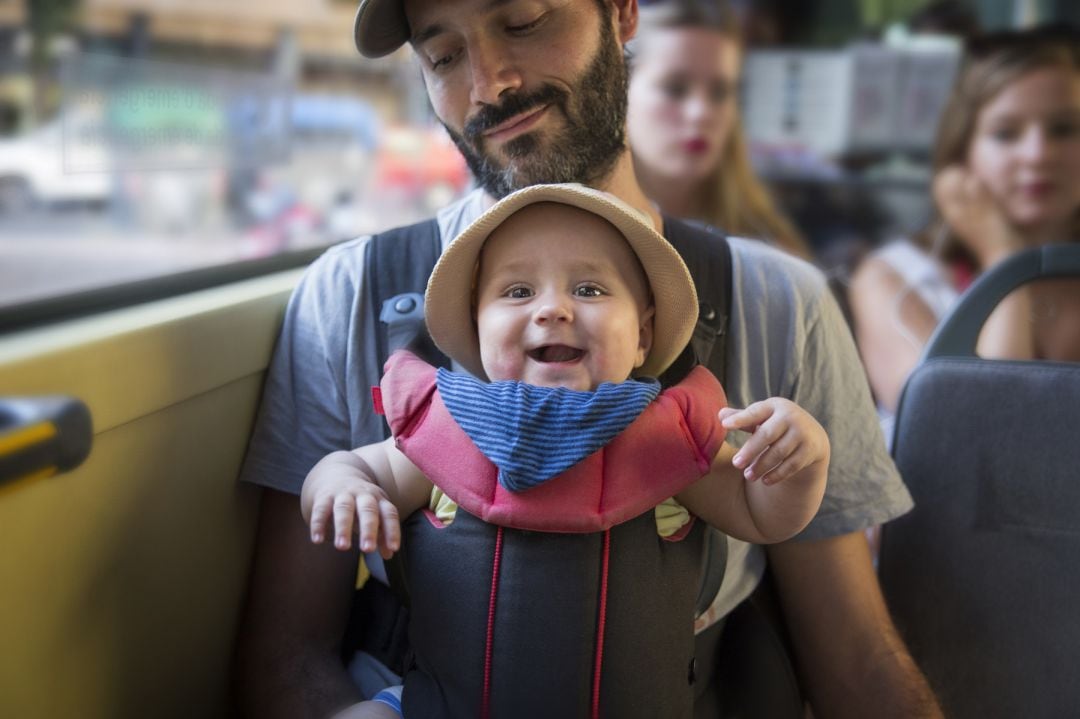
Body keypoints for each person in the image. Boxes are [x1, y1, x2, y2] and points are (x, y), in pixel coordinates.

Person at [233, 2, 941, 718]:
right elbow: (285, 658)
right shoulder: (351, 293)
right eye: (443, 56)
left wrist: (798, 462)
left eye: (523, 21)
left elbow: (855, 659)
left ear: (623, 13)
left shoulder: (781, 304)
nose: (488, 84)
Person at [299, 182, 829, 717]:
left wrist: (798, 466)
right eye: (518, 292)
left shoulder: (667, 443)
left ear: (643, 335)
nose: (552, 309)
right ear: (476, 329)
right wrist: (343, 484)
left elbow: (762, 517)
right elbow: (358, 465)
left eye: (590, 291)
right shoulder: (447, 429)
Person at [849, 25, 1080, 443]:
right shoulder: (891, 279)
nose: (1037, 153)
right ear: (962, 155)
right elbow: (969, 439)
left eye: (1064, 129)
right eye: (1006, 133)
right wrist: (1004, 255)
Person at [626, 0, 810, 259]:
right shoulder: (576, 232)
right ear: (621, 91)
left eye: (720, 92)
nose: (701, 112)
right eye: (675, 88)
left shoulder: (769, 252)